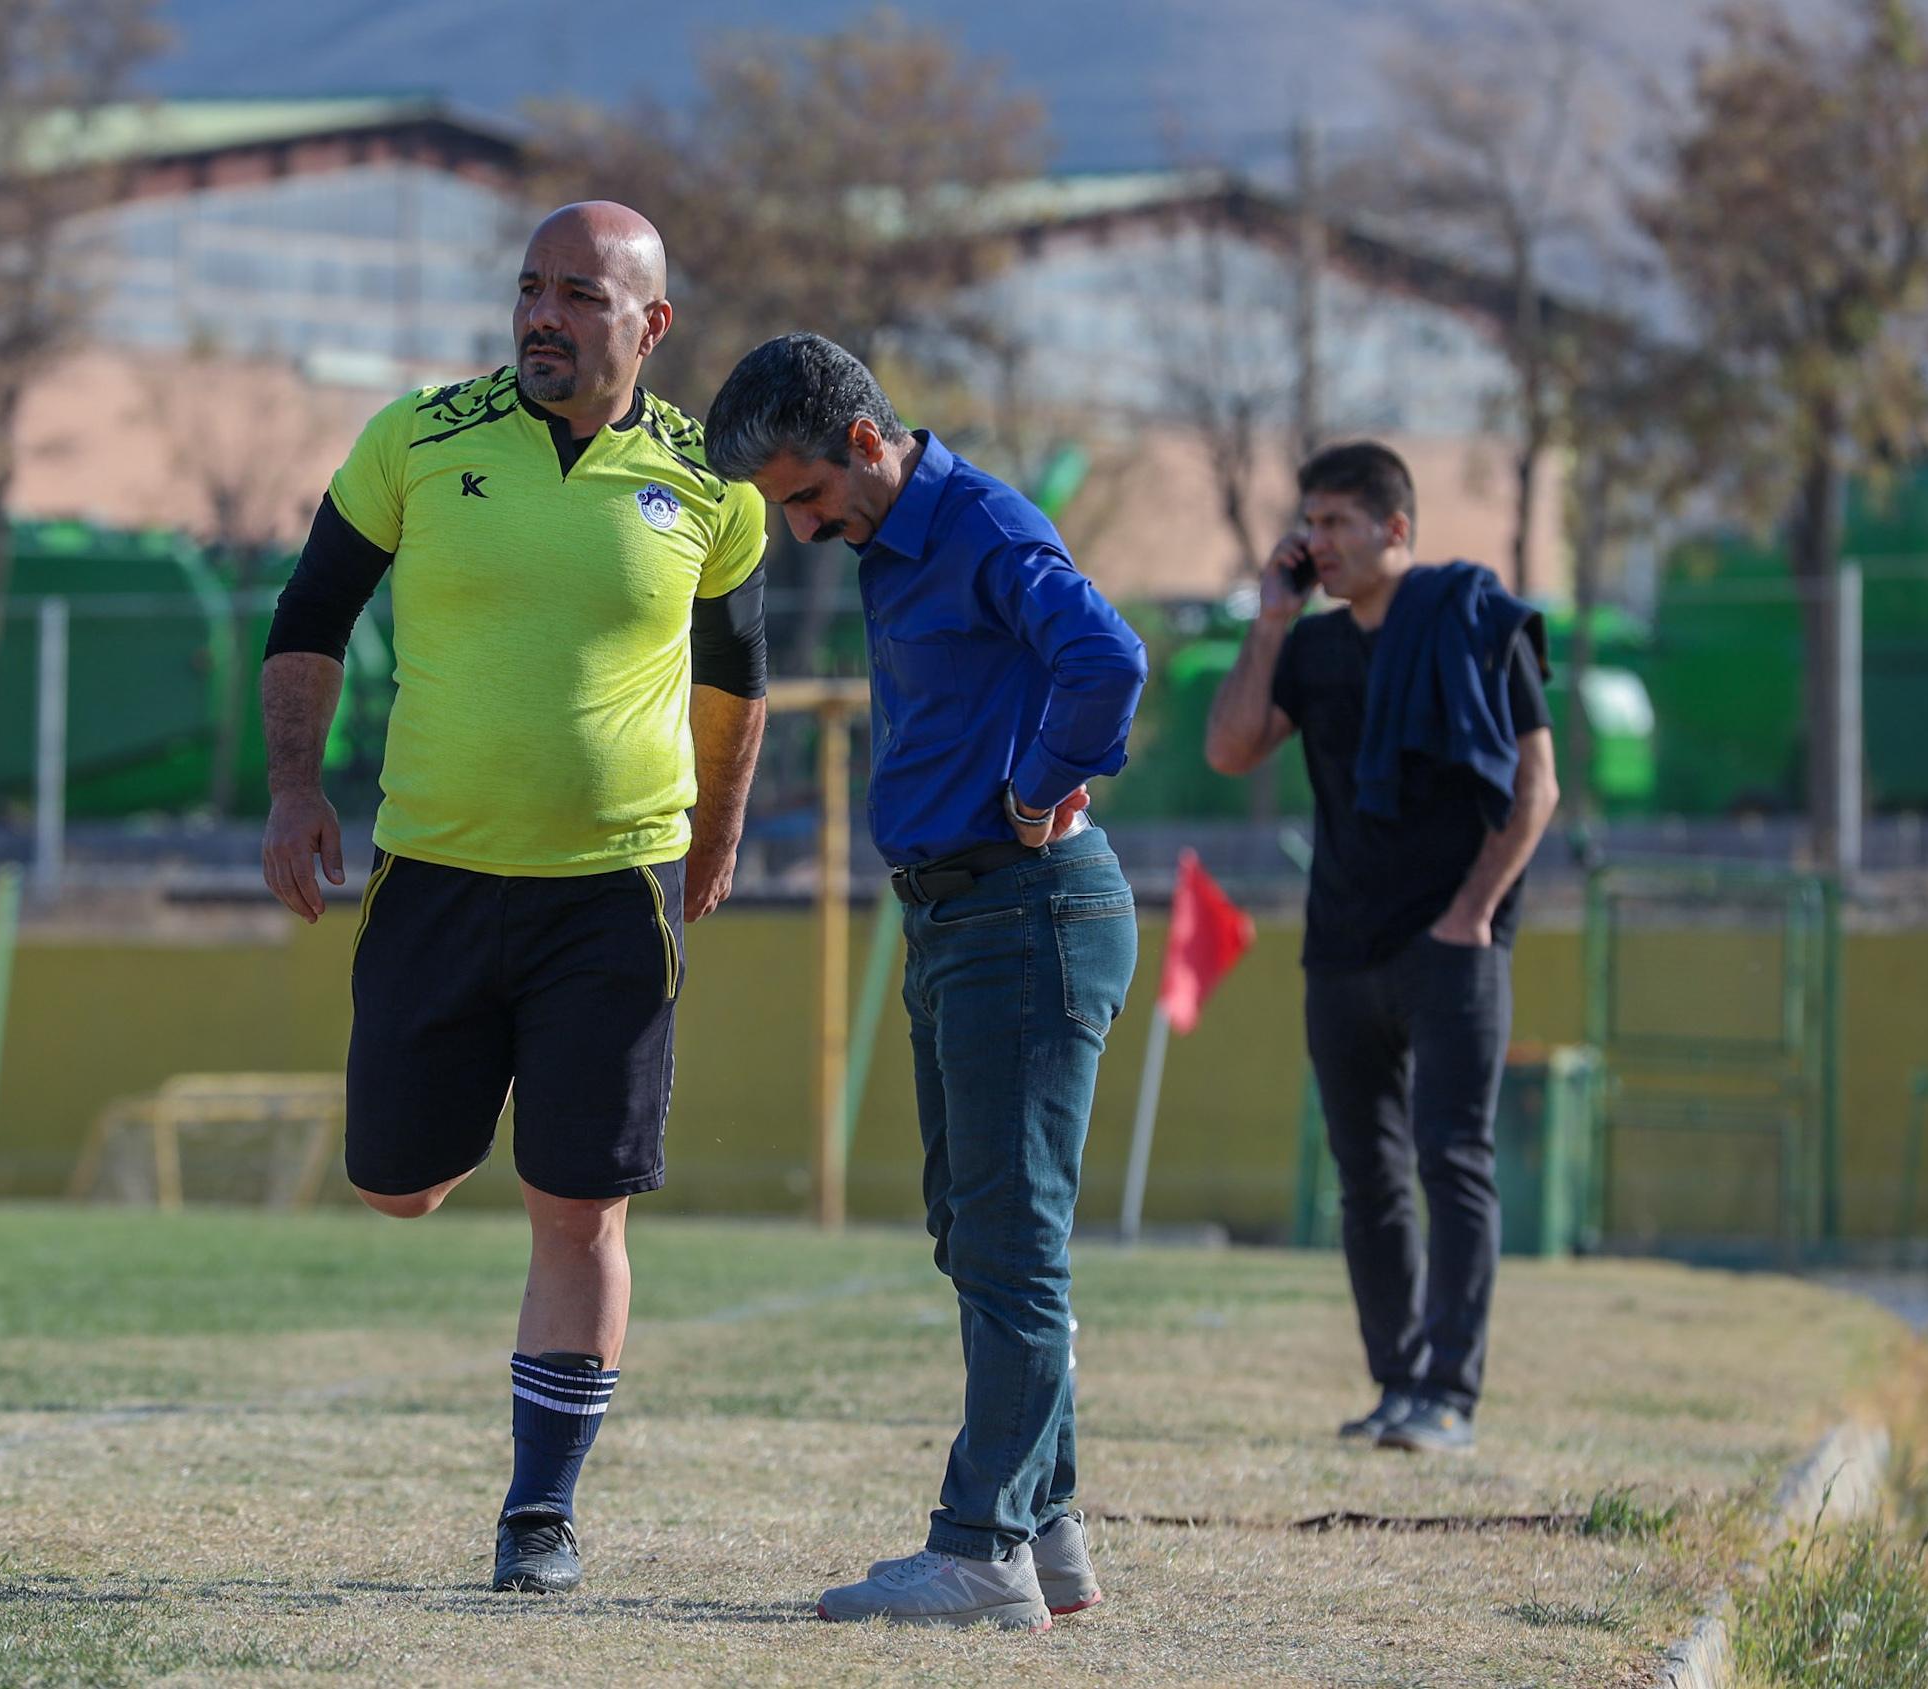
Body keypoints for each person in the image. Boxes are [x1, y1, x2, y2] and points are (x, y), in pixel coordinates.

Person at [256, 202, 770, 1594]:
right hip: (432, 872)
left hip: (614, 890)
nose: (544, 314)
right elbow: (310, 614)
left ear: (650, 325)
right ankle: (473, 1108)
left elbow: (735, 679)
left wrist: (716, 835)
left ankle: (539, 1515)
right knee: (396, 1185)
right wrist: (295, 789)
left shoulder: (712, 485)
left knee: (580, 1208)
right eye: (532, 288)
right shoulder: (416, 438)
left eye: (580, 295)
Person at [705, 333, 1145, 1630]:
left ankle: (980, 1547)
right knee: (974, 1229)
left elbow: (1107, 661)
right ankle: (1045, 1530)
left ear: (862, 440)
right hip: (959, 918)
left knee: (1012, 1243)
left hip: (1026, 910)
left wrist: (1039, 781)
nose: (798, 528)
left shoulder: (981, 525)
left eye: (803, 495)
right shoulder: (893, 542)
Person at [1204, 441, 1557, 1456]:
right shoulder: (1311, 648)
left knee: (1453, 1159)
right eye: (1308, 523)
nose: (1315, 542)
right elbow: (1229, 748)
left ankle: (1449, 1393)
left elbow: (1536, 786)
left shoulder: (1475, 620)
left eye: (1336, 523)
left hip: (1451, 942)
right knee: (1367, 1175)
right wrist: (1270, 621)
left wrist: (1472, 912)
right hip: (1340, 946)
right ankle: (1398, 1382)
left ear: (1394, 529)